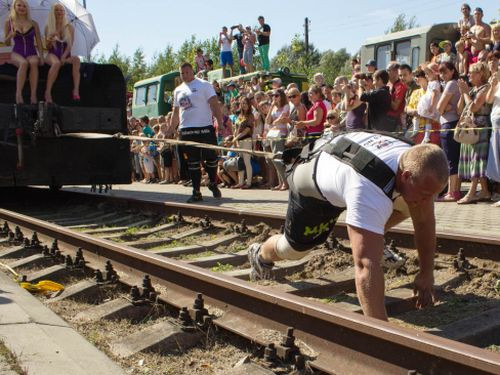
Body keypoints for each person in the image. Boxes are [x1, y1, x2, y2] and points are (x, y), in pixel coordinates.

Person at [247, 131, 449, 321]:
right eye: (425, 194)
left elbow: (424, 223)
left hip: (346, 170)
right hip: (313, 189)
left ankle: (371, 235)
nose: (428, 201)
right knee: (292, 250)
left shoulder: (416, 163)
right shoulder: (369, 189)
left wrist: (426, 273)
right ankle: (260, 255)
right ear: (405, 176)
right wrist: (383, 337)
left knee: (412, 206)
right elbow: (365, 266)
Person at [171, 63, 223, 203]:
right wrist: (171, 129)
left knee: (212, 158)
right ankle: (196, 192)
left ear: (192, 71)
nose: (185, 75)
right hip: (187, 130)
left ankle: (212, 182)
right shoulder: (178, 90)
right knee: (192, 162)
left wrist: (220, 122)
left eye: (187, 72)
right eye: (182, 73)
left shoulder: (204, 85)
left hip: (205, 128)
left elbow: (214, 104)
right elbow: (176, 112)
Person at [457, 62, 492, 204]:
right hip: (469, 128)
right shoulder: (472, 90)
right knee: (473, 160)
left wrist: (465, 92)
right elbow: (460, 110)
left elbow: (474, 108)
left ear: (481, 74)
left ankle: (471, 193)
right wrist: (462, 93)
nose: (469, 74)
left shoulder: (485, 88)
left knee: (477, 161)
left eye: (472, 72)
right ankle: (484, 191)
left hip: (480, 128)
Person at [3, 0, 44, 104]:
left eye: (24, 6)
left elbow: (39, 41)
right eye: (19, 5)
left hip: (32, 52)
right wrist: (10, 35)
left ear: (27, 8)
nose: (22, 8)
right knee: (24, 63)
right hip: (17, 52)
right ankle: (18, 94)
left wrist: (42, 56)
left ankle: (33, 95)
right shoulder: (9, 22)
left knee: (34, 63)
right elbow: (6, 43)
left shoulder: (34, 23)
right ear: (15, 7)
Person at [44, 3, 81, 103]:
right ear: (53, 12)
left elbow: (69, 46)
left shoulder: (70, 28)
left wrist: (64, 56)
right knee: (56, 63)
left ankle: (76, 89)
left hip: (65, 54)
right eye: (57, 10)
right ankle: (48, 92)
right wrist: (50, 39)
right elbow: (47, 47)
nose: (59, 12)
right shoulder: (48, 27)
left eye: (61, 10)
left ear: (64, 12)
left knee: (77, 60)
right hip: (52, 54)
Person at [436, 62, 462, 201]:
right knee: (455, 159)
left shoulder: (451, 84)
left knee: (450, 159)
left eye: (444, 72)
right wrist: (447, 107)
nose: (442, 75)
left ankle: (451, 193)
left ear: (452, 71)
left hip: (448, 125)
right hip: (454, 124)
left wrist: (445, 108)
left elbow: (439, 108)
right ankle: (455, 191)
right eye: (440, 73)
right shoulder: (455, 83)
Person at [265, 89, 289, 191]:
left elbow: (282, 118)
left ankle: (285, 182)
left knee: (278, 159)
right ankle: (281, 183)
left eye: (276, 95)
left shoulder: (286, 106)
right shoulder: (274, 107)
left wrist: (275, 121)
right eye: (273, 95)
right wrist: (271, 107)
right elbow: (267, 121)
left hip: (281, 134)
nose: (274, 97)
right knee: (275, 159)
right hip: (273, 135)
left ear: (281, 96)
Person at [486, 63, 500, 207]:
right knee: (497, 159)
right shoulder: (497, 83)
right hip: (496, 126)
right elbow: (489, 100)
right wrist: (493, 85)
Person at [232, 97, 254, 189]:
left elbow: (247, 130)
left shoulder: (250, 116)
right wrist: (235, 139)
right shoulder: (239, 116)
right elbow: (236, 129)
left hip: (246, 140)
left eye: (246, 103)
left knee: (247, 162)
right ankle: (240, 182)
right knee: (240, 162)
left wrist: (236, 138)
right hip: (238, 141)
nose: (244, 105)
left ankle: (249, 182)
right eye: (242, 103)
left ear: (249, 105)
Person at [387, 62, 407, 130]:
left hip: (395, 122)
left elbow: (395, 107)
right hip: (386, 119)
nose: (386, 72)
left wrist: (385, 95)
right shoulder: (388, 85)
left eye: (388, 70)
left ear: (396, 72)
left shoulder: (400, 87)